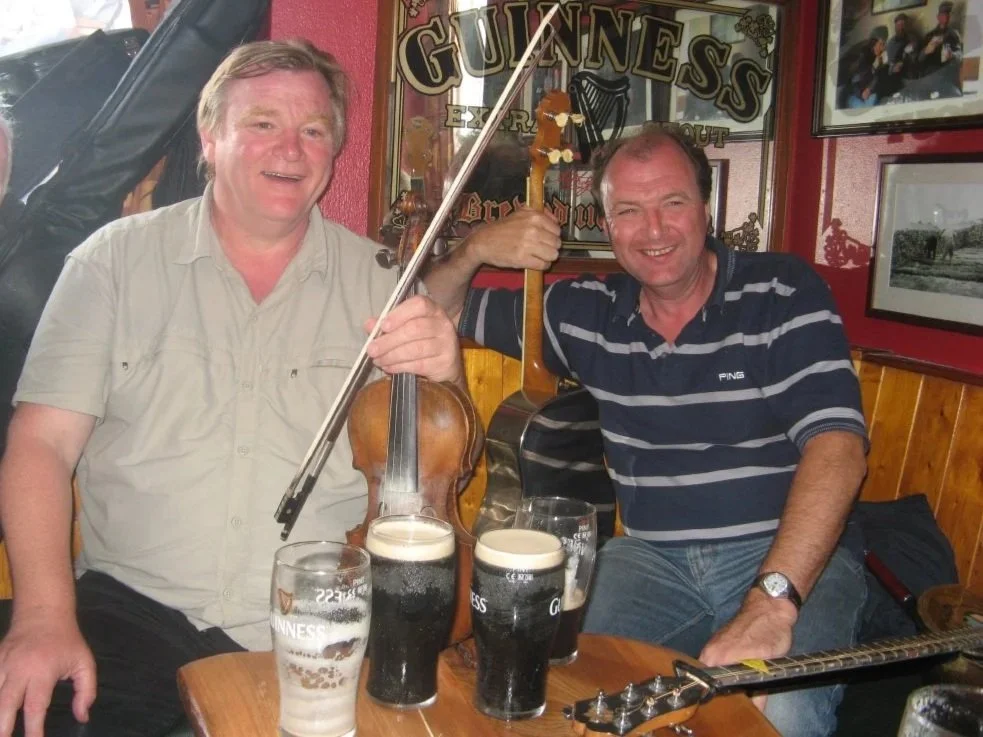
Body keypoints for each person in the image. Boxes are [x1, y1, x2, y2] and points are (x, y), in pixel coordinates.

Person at [0, 39, 468, 737]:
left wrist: (447, 373)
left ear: (333, 153)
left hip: (318, 632)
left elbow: (437, 467)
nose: (291, 147)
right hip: (129, 614)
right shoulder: (112, 263)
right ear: (209, 138)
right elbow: (40, 443)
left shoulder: (384, 284)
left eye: (313, 130)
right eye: (262, 124)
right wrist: (42, 612)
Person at [424, 126, 868, 737]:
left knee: (779, 715)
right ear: (606, 224)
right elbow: (434, 305)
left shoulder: (782, 291)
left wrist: (770, 601)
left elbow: (839, 448)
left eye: (672, 204)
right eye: (628, 211)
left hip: (785, 557)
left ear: (706, 210)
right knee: (574, 697)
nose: (653, 231)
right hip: (651, 560)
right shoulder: (586, 312)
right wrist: (474, 249)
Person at [846, 26, 890, 108]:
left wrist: (879, 66)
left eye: (884, 44)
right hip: (854, 94)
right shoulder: (863, 55)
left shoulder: (877, 56)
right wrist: (862, 92)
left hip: (867, 91)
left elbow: (876, 77)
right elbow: (854, 81)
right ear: (873, 43)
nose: (883, 48)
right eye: (881, 44)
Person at [918, 2, 962, 77]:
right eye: (943, 15)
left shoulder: (954, 34)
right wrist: (926, 51)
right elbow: (919, 59)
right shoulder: (929, 35)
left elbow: (960, 55)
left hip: (947, 72)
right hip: (931, 73)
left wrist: (952, 55)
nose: (945, 18)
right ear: (938, 17)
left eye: (948, 15)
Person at [886, 13, 919, 85]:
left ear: (906, 26)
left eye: (903, 25)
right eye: (898, 25)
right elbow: (890, 63)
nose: (901, 28)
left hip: (911, 72)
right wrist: (893, 68)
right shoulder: (891, 43)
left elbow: (916, 57)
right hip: (897, 75)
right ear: (895, 26)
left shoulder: (913, 38)